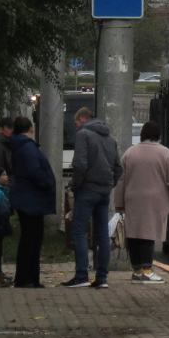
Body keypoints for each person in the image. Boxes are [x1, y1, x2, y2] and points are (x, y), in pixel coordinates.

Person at [114, 121, 169, 283]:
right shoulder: (165, 154)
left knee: (134, 235)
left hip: (132, 200)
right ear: (158, 135)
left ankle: (136, 270)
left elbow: (120, 181)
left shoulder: (130, 153)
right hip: (155, 201)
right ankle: (148, 271)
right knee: (148, 235)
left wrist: (119, 203)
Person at [66, 107, 122, 289]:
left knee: (79, 231)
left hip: (87, 189)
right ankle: (102, 278)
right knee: (102, 235)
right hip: (104, 191)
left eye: (76, 123)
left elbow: (80, 164)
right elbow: (118, 168)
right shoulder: (110, 138)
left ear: (81, 119)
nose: (76, 127)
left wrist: (76, 185)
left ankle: (81, 275)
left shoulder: (84, 135)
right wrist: (108, 184)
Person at [9, 117, 55, 289]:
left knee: (32, 238)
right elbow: (34, 170)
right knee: (31, 239)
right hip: (32, 199)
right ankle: (26, 278)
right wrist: (47, 182)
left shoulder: (20, 146)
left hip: (27, 198)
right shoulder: (27, 147)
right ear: (31, 129)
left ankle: (30, 278)